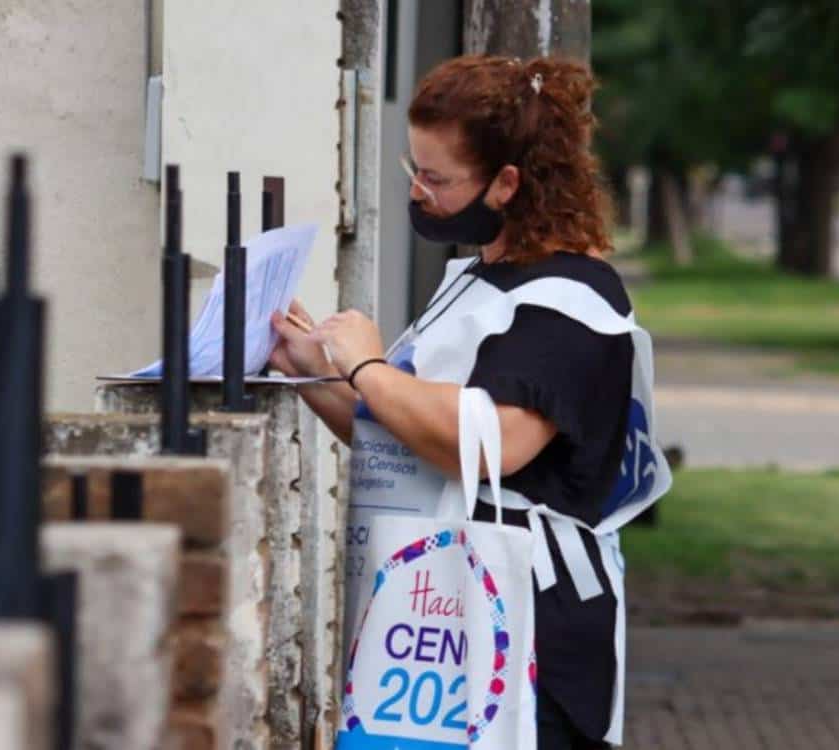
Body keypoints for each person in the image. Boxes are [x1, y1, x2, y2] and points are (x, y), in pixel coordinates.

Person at [270, 55, 658, 750]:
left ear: (507, 183)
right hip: (443, 615)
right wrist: (313, 375)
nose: (417, 192)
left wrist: (366, 366)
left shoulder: (573, 299)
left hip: (529, 627)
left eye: (437, 178)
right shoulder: (480, 278)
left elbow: (494, 444)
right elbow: (413, 439)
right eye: (413, 168)